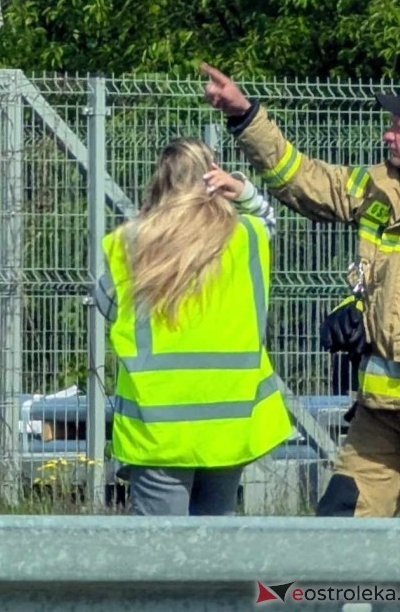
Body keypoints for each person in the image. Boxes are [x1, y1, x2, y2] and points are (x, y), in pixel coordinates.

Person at [201, 63, 400, 519]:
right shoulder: (379, 187)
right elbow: (303, 180)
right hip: (381, 416)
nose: (388, 136)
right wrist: (246, 115)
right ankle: (340, 596)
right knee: (340, 524)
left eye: (399, 128)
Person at [93, 137, 292, 516]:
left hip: (159, 425)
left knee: (160, 555)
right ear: (214, 179)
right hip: (229, 421)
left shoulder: (132, 244)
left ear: (160, 182)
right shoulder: (246, 237)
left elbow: (106, 302)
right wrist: (244, 189)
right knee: (215, 548)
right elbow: (268, 219)